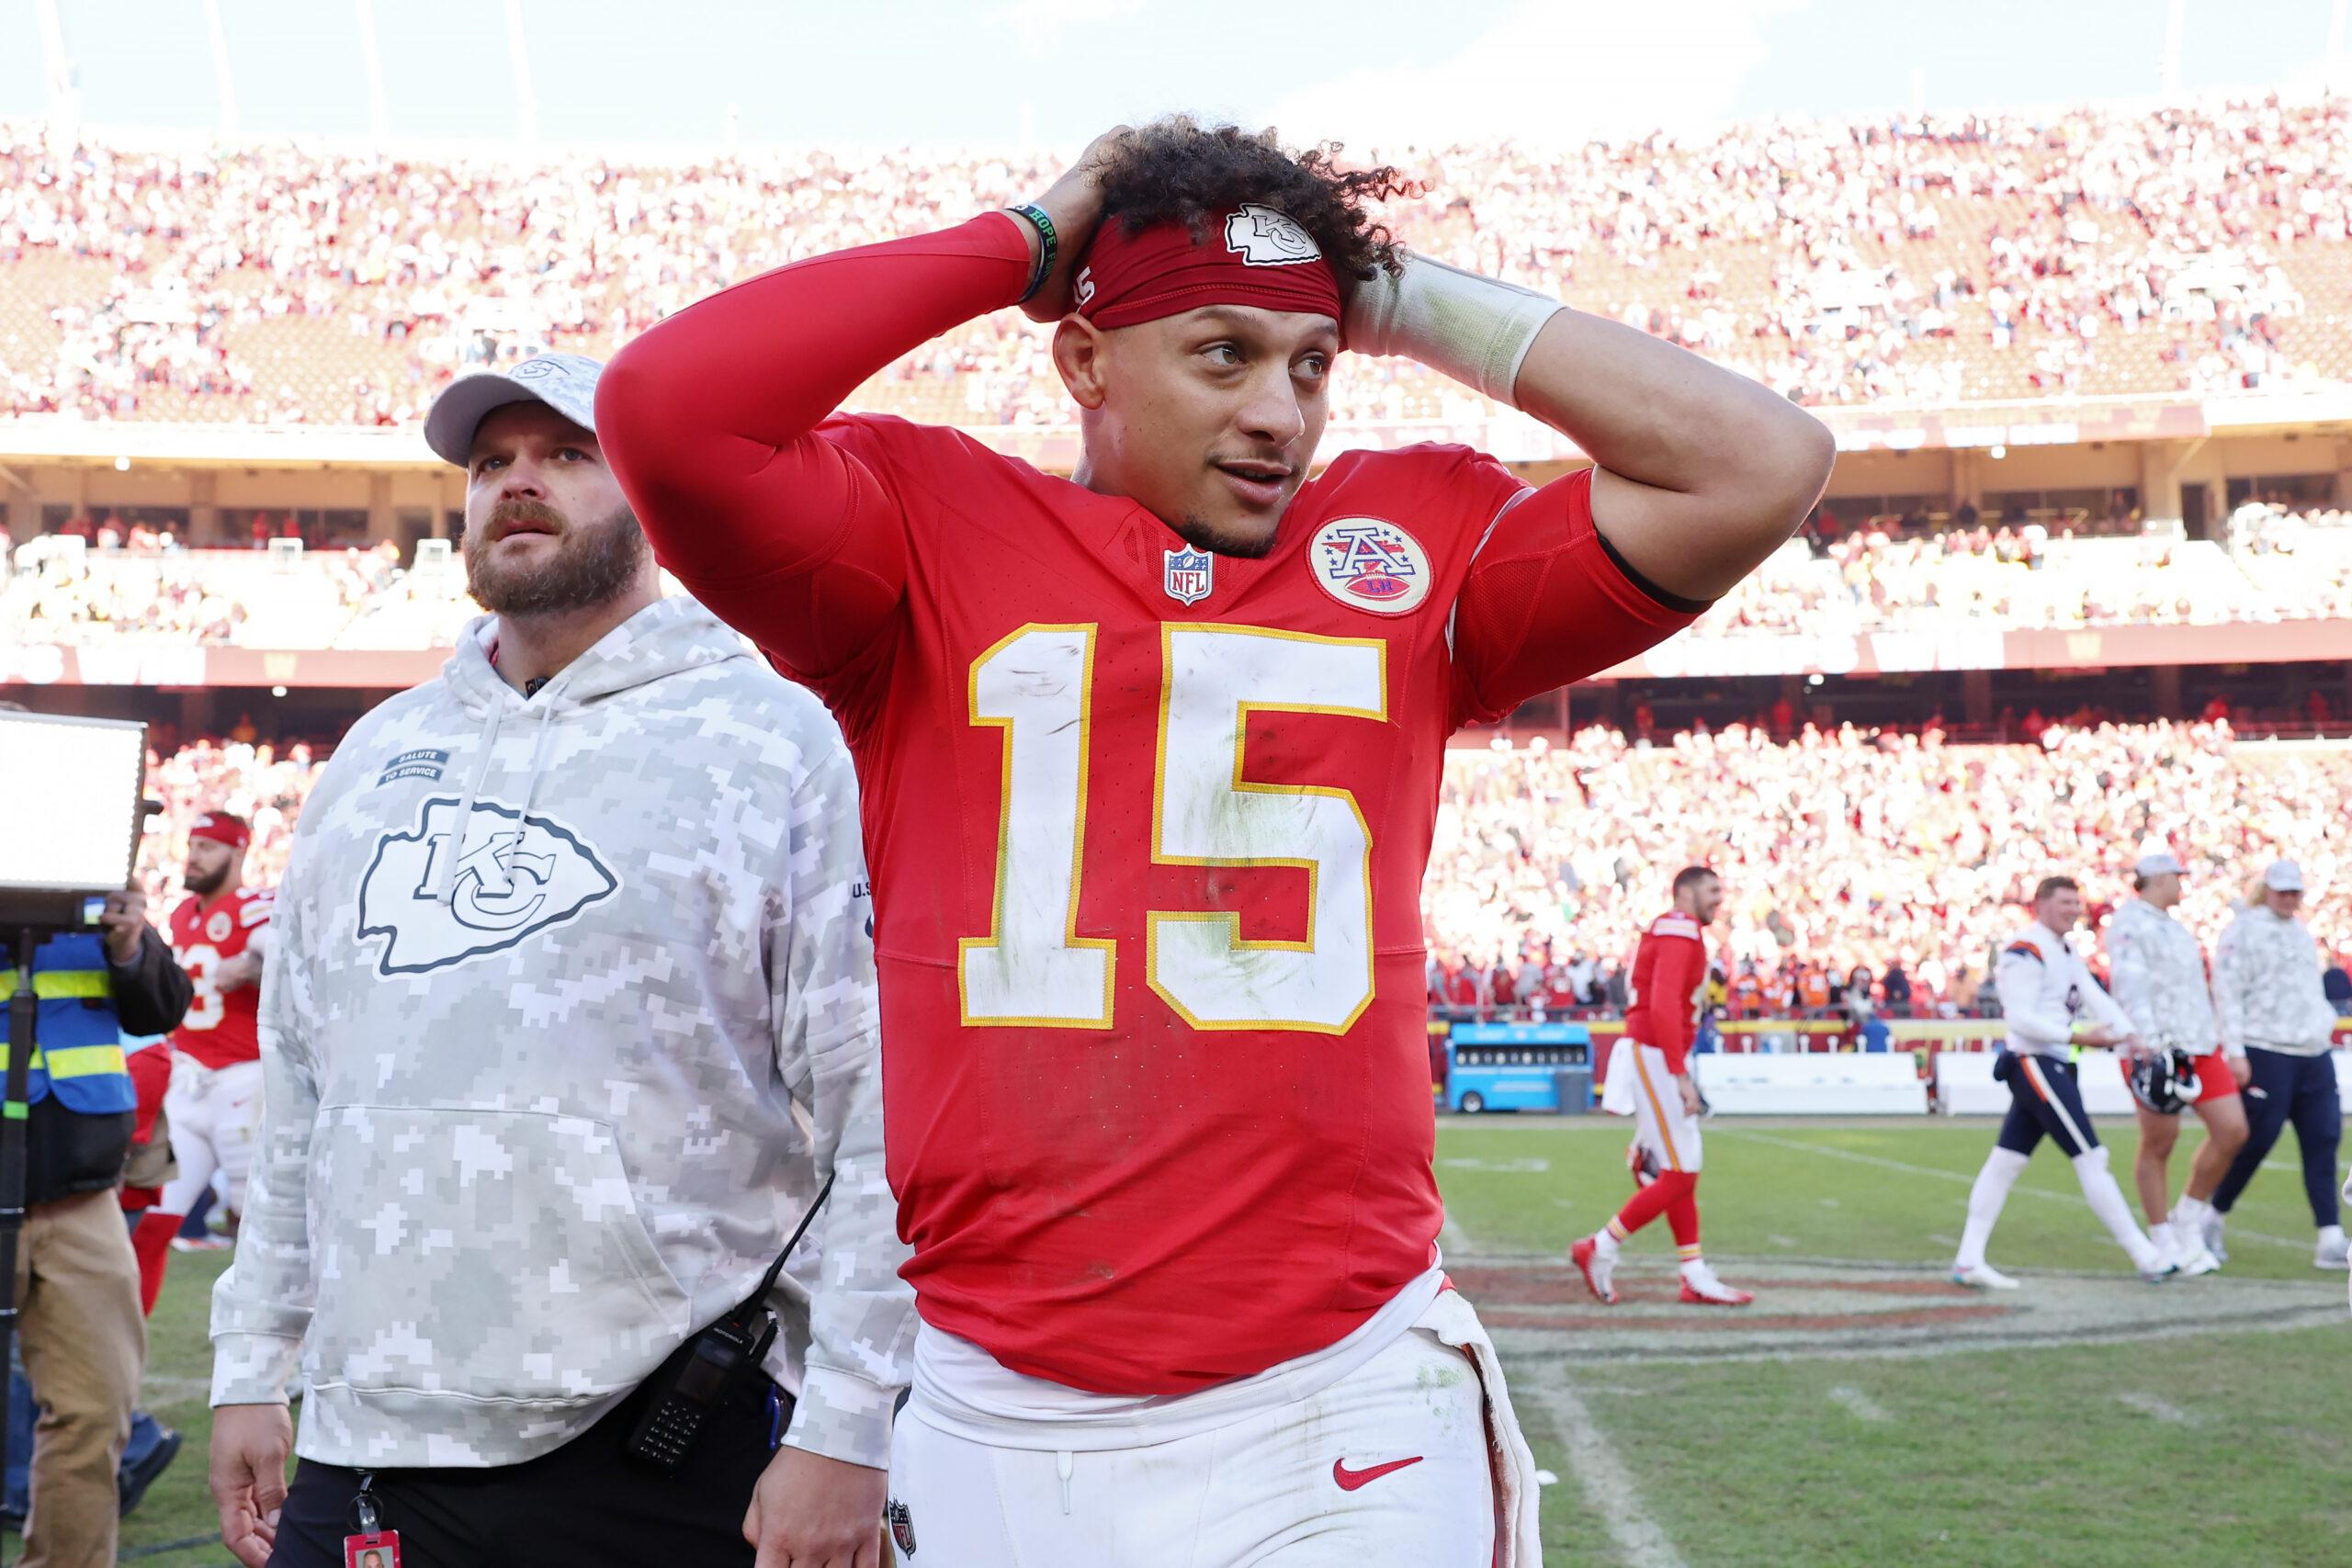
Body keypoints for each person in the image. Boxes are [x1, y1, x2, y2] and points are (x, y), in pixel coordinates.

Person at [598, 118, 1832, 1567]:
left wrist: (1393, 295)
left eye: (1312, 364)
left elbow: (1762, 461)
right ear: (1083, 360)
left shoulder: (1411, 539)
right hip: (998, 1405)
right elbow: (665, 410)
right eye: (1222, 355)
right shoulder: (921, 533)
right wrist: (1027, 242)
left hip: (1336, 1393)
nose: (1279, 414)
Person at [205, 355, 913, 1568]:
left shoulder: (770, 737)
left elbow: (877, 1106)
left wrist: (849, 1416)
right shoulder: (375, 756)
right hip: (371, 1430)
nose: (517, 482)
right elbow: (302, 1089)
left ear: (650, 495)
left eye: (567, 454)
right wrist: (250, 1360)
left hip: (657, 1428)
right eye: (491, 463)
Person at [0, 889, 190, 1568]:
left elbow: (165, 1006)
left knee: (96, 1409)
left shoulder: (89, 875)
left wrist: (131, 946)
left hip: (80, 1196)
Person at [1950, 876, 2172, 1289]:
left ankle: (1968, 1259)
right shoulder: (2025, 950)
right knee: (2091, 1156)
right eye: (2065, 902)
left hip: (2053, 1062)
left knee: (2006, 1162)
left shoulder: (2063, 949)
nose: (2073, 910)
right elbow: (2021, 1019)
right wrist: (2081, 1038)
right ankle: (2145, 1255)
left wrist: (2132, 1036)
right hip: (2034, 1062)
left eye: (2076, 902)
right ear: (2041, 903)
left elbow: (2095, 997)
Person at [1571, 867, 1753, 1307]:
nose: (1719, 899)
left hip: (1657, 1052)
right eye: (1712, 890)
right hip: (1656, 1052)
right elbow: (1664, 1004)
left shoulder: (1678, 929)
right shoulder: (1679, 929)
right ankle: (1600, 1246)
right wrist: (1679, 1073)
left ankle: (1692, 1272)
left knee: (1677, 1167)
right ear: (1686, 892)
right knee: (1680, 1169)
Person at [131, 812, 274, 1303]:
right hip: (189, 1081)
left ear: (239, 852)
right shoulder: (182, 914)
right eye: (192, 845)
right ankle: (129, 1337)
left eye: (208, 847)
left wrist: (252, 964)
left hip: (245, 1083)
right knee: (152, 1220)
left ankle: (280, 1343)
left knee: (259, 1228)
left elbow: (286, 957)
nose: (193, 857)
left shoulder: (255, 906)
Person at [2101, 852, 2242, 1276]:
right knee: (2160, 1140)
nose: (2181, 884)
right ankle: (2162, 1238)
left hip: (2199, 1042)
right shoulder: (2129, 923)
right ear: (2157, 879)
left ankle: (2188, 1217)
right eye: (2176, 877)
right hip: (2158, 1047)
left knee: (2233, 1130)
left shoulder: (2175, 926)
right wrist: (2148, 1041)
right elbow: (2129, 985)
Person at [2205, 860, 2346, 1269]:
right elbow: (2228, 991)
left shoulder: (2300, 932)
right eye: (2282, 891)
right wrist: (2234, 1050)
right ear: (2266, 890)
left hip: (2312, 1050)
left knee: (2324, 1138)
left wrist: (2321, 1023)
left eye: (2294, 892)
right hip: (2265, 1048)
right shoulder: (2242, 931)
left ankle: (2330, 1237)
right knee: (2256, 1140)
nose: (2288, 898)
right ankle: (2211, 1215)